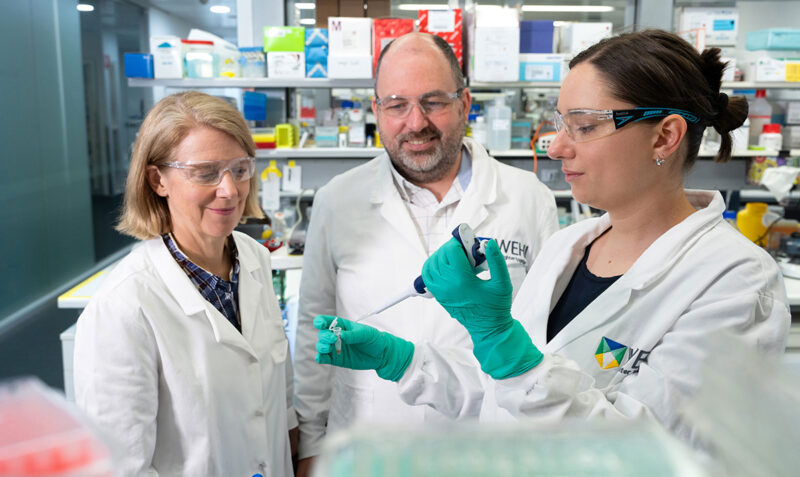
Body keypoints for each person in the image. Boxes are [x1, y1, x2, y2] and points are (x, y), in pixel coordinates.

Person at [313, 29, 790, 448]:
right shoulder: (571, 246)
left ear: (665, 137)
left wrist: (502, 342)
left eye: (583, 126)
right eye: (561, 123)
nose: (557, 146)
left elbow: (654, 450)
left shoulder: (736, 282)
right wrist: (402, 359)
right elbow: (501, 391)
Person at [294, 32, 559, 475]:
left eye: (433, 101)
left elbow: (549, 331)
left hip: (488, 446)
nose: (415, 122)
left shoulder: (527, 198)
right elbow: (312, 327)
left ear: (465, 103)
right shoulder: (338, 200)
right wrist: (310, 444)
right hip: (368, 442)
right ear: (376, 111)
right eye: (396, 104)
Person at [73, 91, 297, 477]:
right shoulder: (125, 305)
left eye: (239, 169)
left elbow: (279, 395)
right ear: (158, 179)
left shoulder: (254, 258)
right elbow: (119, 468)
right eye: (206, 172)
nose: (229, 190)